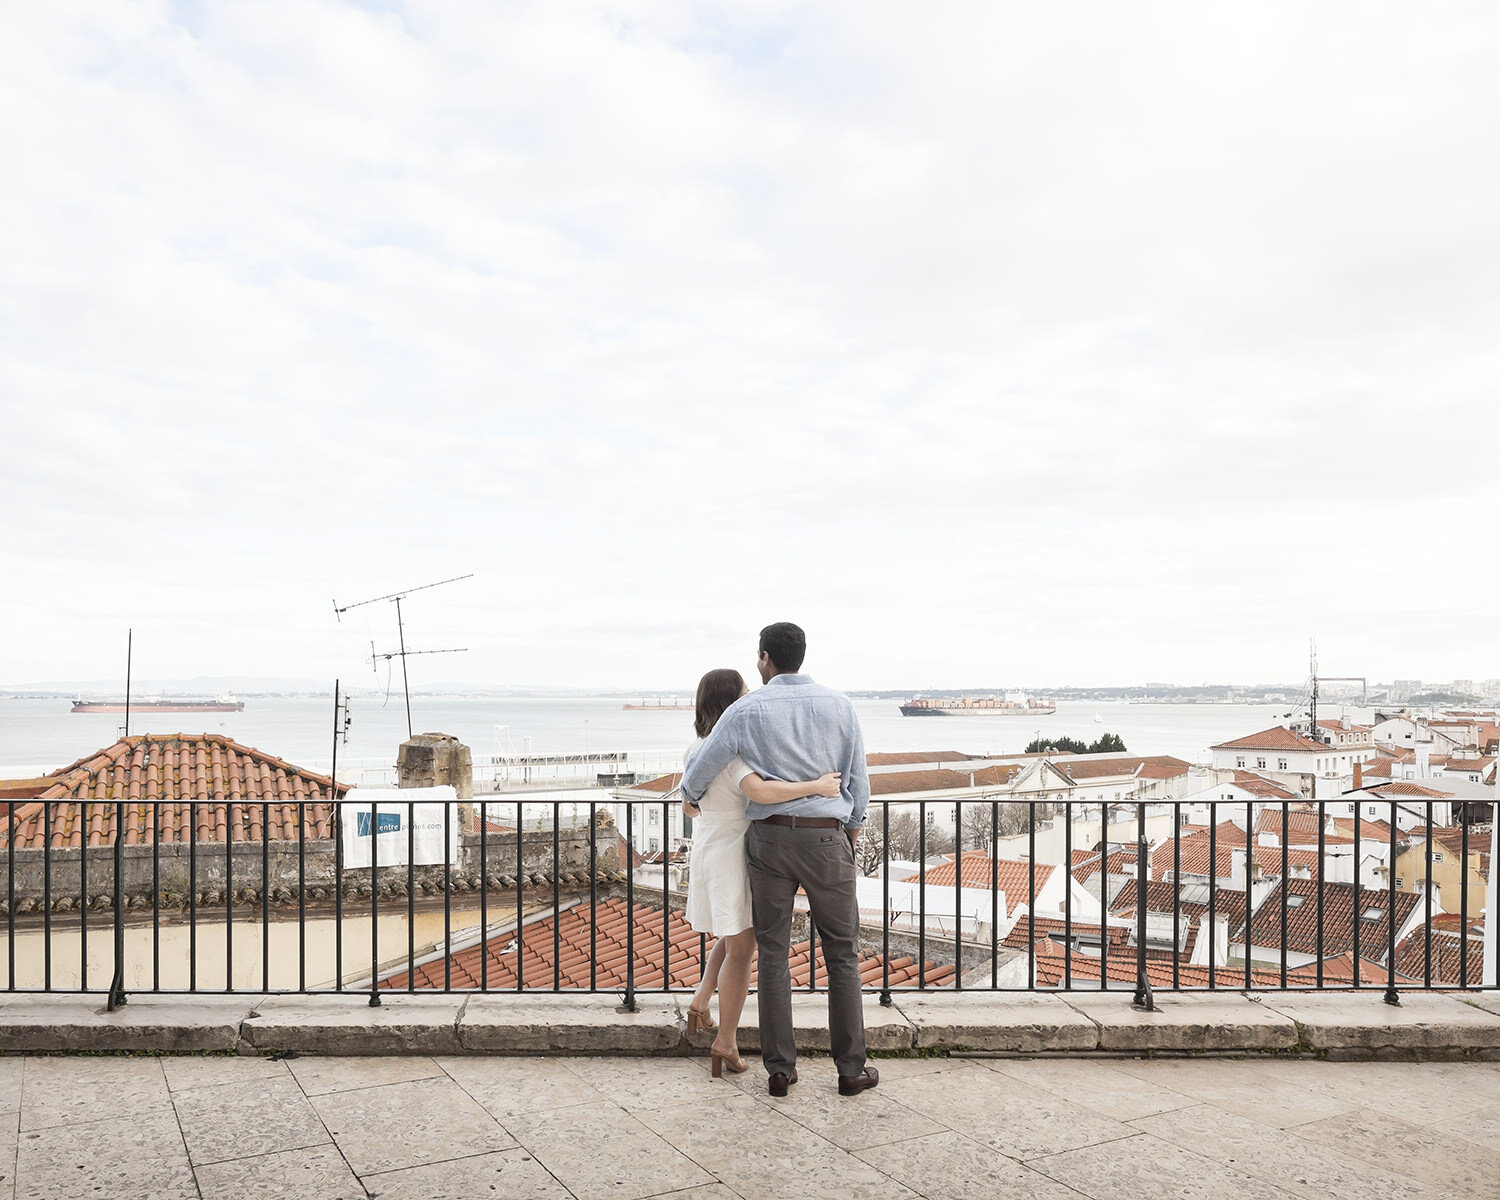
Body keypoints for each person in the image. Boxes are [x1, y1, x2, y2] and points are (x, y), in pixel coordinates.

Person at [680, 622, 876, 1098]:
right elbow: (858, 780)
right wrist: (848, 830)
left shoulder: (747, 708)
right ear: (802, 656)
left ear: (765, 658)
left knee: (772, 955)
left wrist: (690, 794)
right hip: (827, 838)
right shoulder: (840, 705)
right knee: (842, 956)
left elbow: (703, 764)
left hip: (768, 841)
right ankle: (850, 1070)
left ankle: (779, 1071)